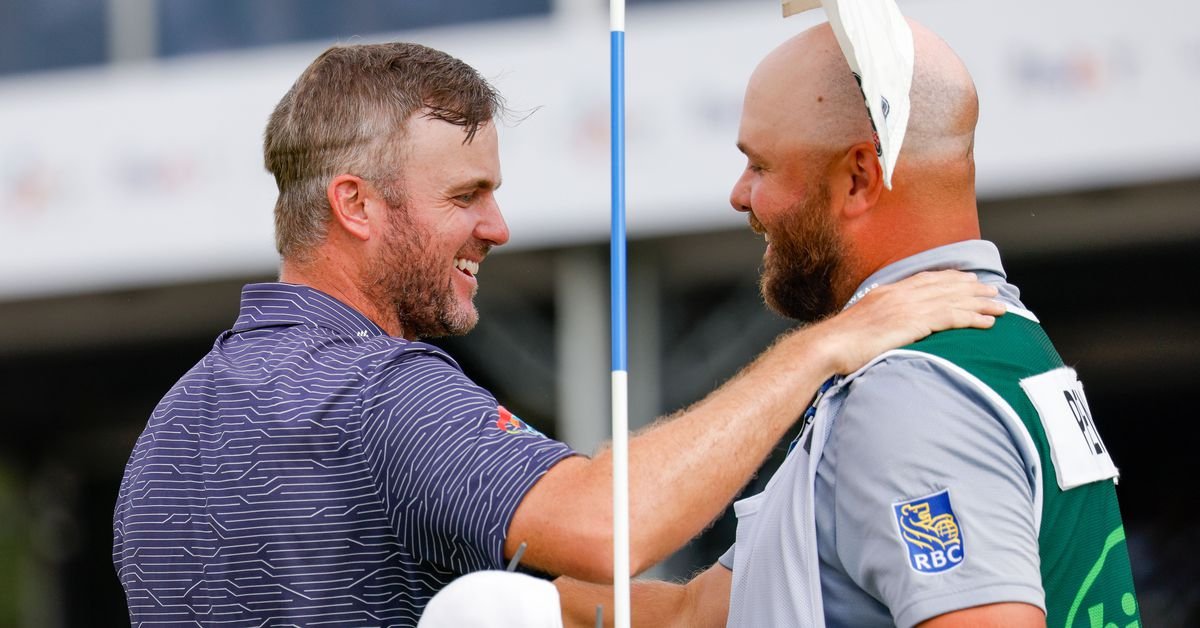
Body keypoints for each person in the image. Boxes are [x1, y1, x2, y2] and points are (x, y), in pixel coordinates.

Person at [111, 42, 1003, 627]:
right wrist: (826, 347)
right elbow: (610, 527)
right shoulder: (379, 390)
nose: (498, 228)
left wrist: (754, 582)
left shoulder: (165, 434)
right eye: (466, 196)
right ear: (354, 204)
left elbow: (629, 608)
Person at [557, 19, 1140, 628]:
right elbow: (694, 615)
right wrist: (498, 597)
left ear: (859, 177)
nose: (739, 194)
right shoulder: (1003, 336)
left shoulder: (911, 391)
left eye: (760, 165)